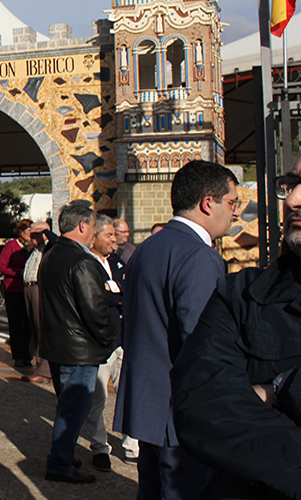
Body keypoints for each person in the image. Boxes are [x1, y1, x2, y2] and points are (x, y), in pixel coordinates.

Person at [172, 128, 301, 499]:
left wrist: (286, 389)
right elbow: (205, 412)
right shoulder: (243, 295)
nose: (294, 199)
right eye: (292, 183)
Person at [114, 160, 239, 499]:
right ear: (208, 203)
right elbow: (200, 340)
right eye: (232, 203)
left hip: (149, 400)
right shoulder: (198, 255)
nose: (236, 213)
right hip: (181, 407)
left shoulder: (147, 249)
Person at [39, 204, 116, 484]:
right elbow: (95, 310)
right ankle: (60, 463)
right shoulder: (83, 262)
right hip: (79, 349)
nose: (95, 232)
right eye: (94, 226)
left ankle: (65, 455)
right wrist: (110, 341)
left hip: (59, 346)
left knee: (68, 406)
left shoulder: (51, 254)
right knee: (73, 410)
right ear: (82, 226)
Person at [82, 214, 137, 470]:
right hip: (99, 342)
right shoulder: (86, 263)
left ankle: (133, 443)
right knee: (98, 397)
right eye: (109, 235)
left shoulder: (116, 261)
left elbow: (127, 291)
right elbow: (97, 297)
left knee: (129, 393)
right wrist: (115, 296)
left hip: (123, 338)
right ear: (95, 237)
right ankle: (100, 446)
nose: (114, 241)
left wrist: (115, 294)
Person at [0, 218, 33, 368]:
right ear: (21, 232)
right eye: (27, 231)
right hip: (13, 289)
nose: (30, 234)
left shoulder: (32, 247)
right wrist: (20, 273)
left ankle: (28, 355)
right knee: (16, 324)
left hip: (28, 290)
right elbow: (1, 266)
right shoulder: (11, 246)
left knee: (29, 324)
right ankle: (18, 355)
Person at [22, 221, 55, 383]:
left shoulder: (50, 248)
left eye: (36, 234)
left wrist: (45, 232)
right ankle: (39, 365)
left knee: (41, 327)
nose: (31, 237)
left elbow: (55, 240)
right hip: (28, 287)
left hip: (38, 288)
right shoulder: (34, 250)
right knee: (34, 328)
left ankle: (45, 370)